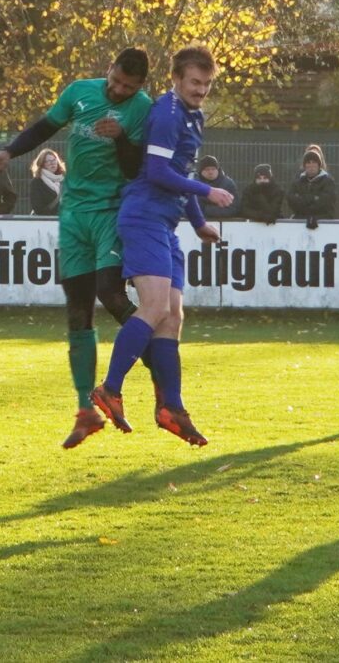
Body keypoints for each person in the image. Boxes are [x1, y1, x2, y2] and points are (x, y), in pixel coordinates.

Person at [0, 48, 154, 450]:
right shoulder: (79, 92)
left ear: (140, 86)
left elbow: (135, 168)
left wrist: (121, 138)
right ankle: (86, 411)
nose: (119, 90)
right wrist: (8, 151)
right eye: (116, 80)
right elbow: (44, 128)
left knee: (111, 294)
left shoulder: (143, 109)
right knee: (77, 311)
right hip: (73, 214)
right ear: (109, 68)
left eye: (128, 87)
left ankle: (158, 362)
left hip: (110, 212)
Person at [90, 46, 234, 447]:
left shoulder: (193, 115)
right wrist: (207, 191)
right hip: (144, 217)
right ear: (176, 79)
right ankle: (110, 388)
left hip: (165, 223)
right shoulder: (168, 114)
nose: (201, 90)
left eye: (207, 84)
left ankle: (171, 407)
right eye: (195, 82)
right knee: (154, 308)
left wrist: (199, 223)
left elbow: (178, 172)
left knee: (172, 316)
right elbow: (156, 172)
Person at [287, 148, 337, 225]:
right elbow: (291, 199)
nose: (311, 165)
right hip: (300, 221)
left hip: (323, 222)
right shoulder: (297, 182)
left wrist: (304, 200)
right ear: (304, 166)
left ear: (319, 165)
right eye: (308, 163)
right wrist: (314, 198)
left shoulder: (328, 181)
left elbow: (325, 202)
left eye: (314, 162)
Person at [195, 155, 241, 220]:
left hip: (225, 223)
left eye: (213, 169)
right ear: (201, 171)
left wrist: (207, 210)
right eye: (207, 169)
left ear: (218, 170)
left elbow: (234, 208)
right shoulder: (194, 185)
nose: (210, 172)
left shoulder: (228, 184)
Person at [29, 148, 65, 217]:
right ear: (42, 164)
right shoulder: (36, 182)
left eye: (54, 160)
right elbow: (38, 209)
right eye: (48, 161)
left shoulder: (64, 180)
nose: (52, 163)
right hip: (46, 221)